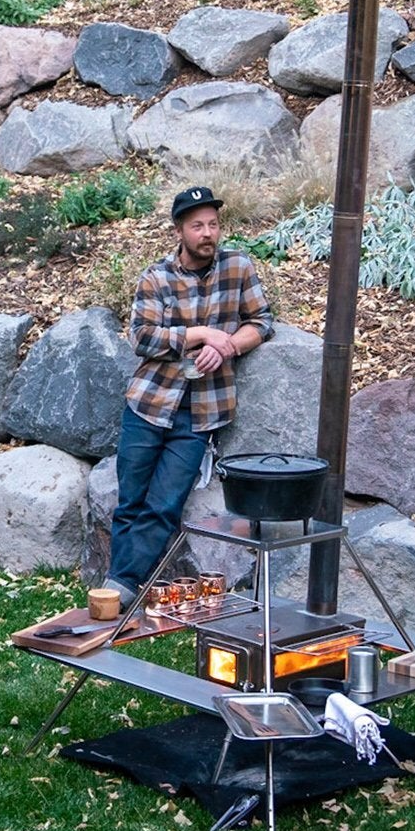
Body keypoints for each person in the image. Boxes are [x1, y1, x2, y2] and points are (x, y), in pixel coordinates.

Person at [103, 186, 274, 607]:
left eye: (213, 224)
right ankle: (118, 587)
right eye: (197, 225)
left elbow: (262, 320)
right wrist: (199, 334)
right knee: (131, 502)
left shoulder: (237, 268)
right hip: (148, 405)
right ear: (179, 230)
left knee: (164, 504)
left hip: (201, 413)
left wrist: (229, 346)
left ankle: (118, 588)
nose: (207, 233)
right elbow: (142, 338)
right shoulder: (155, 277)